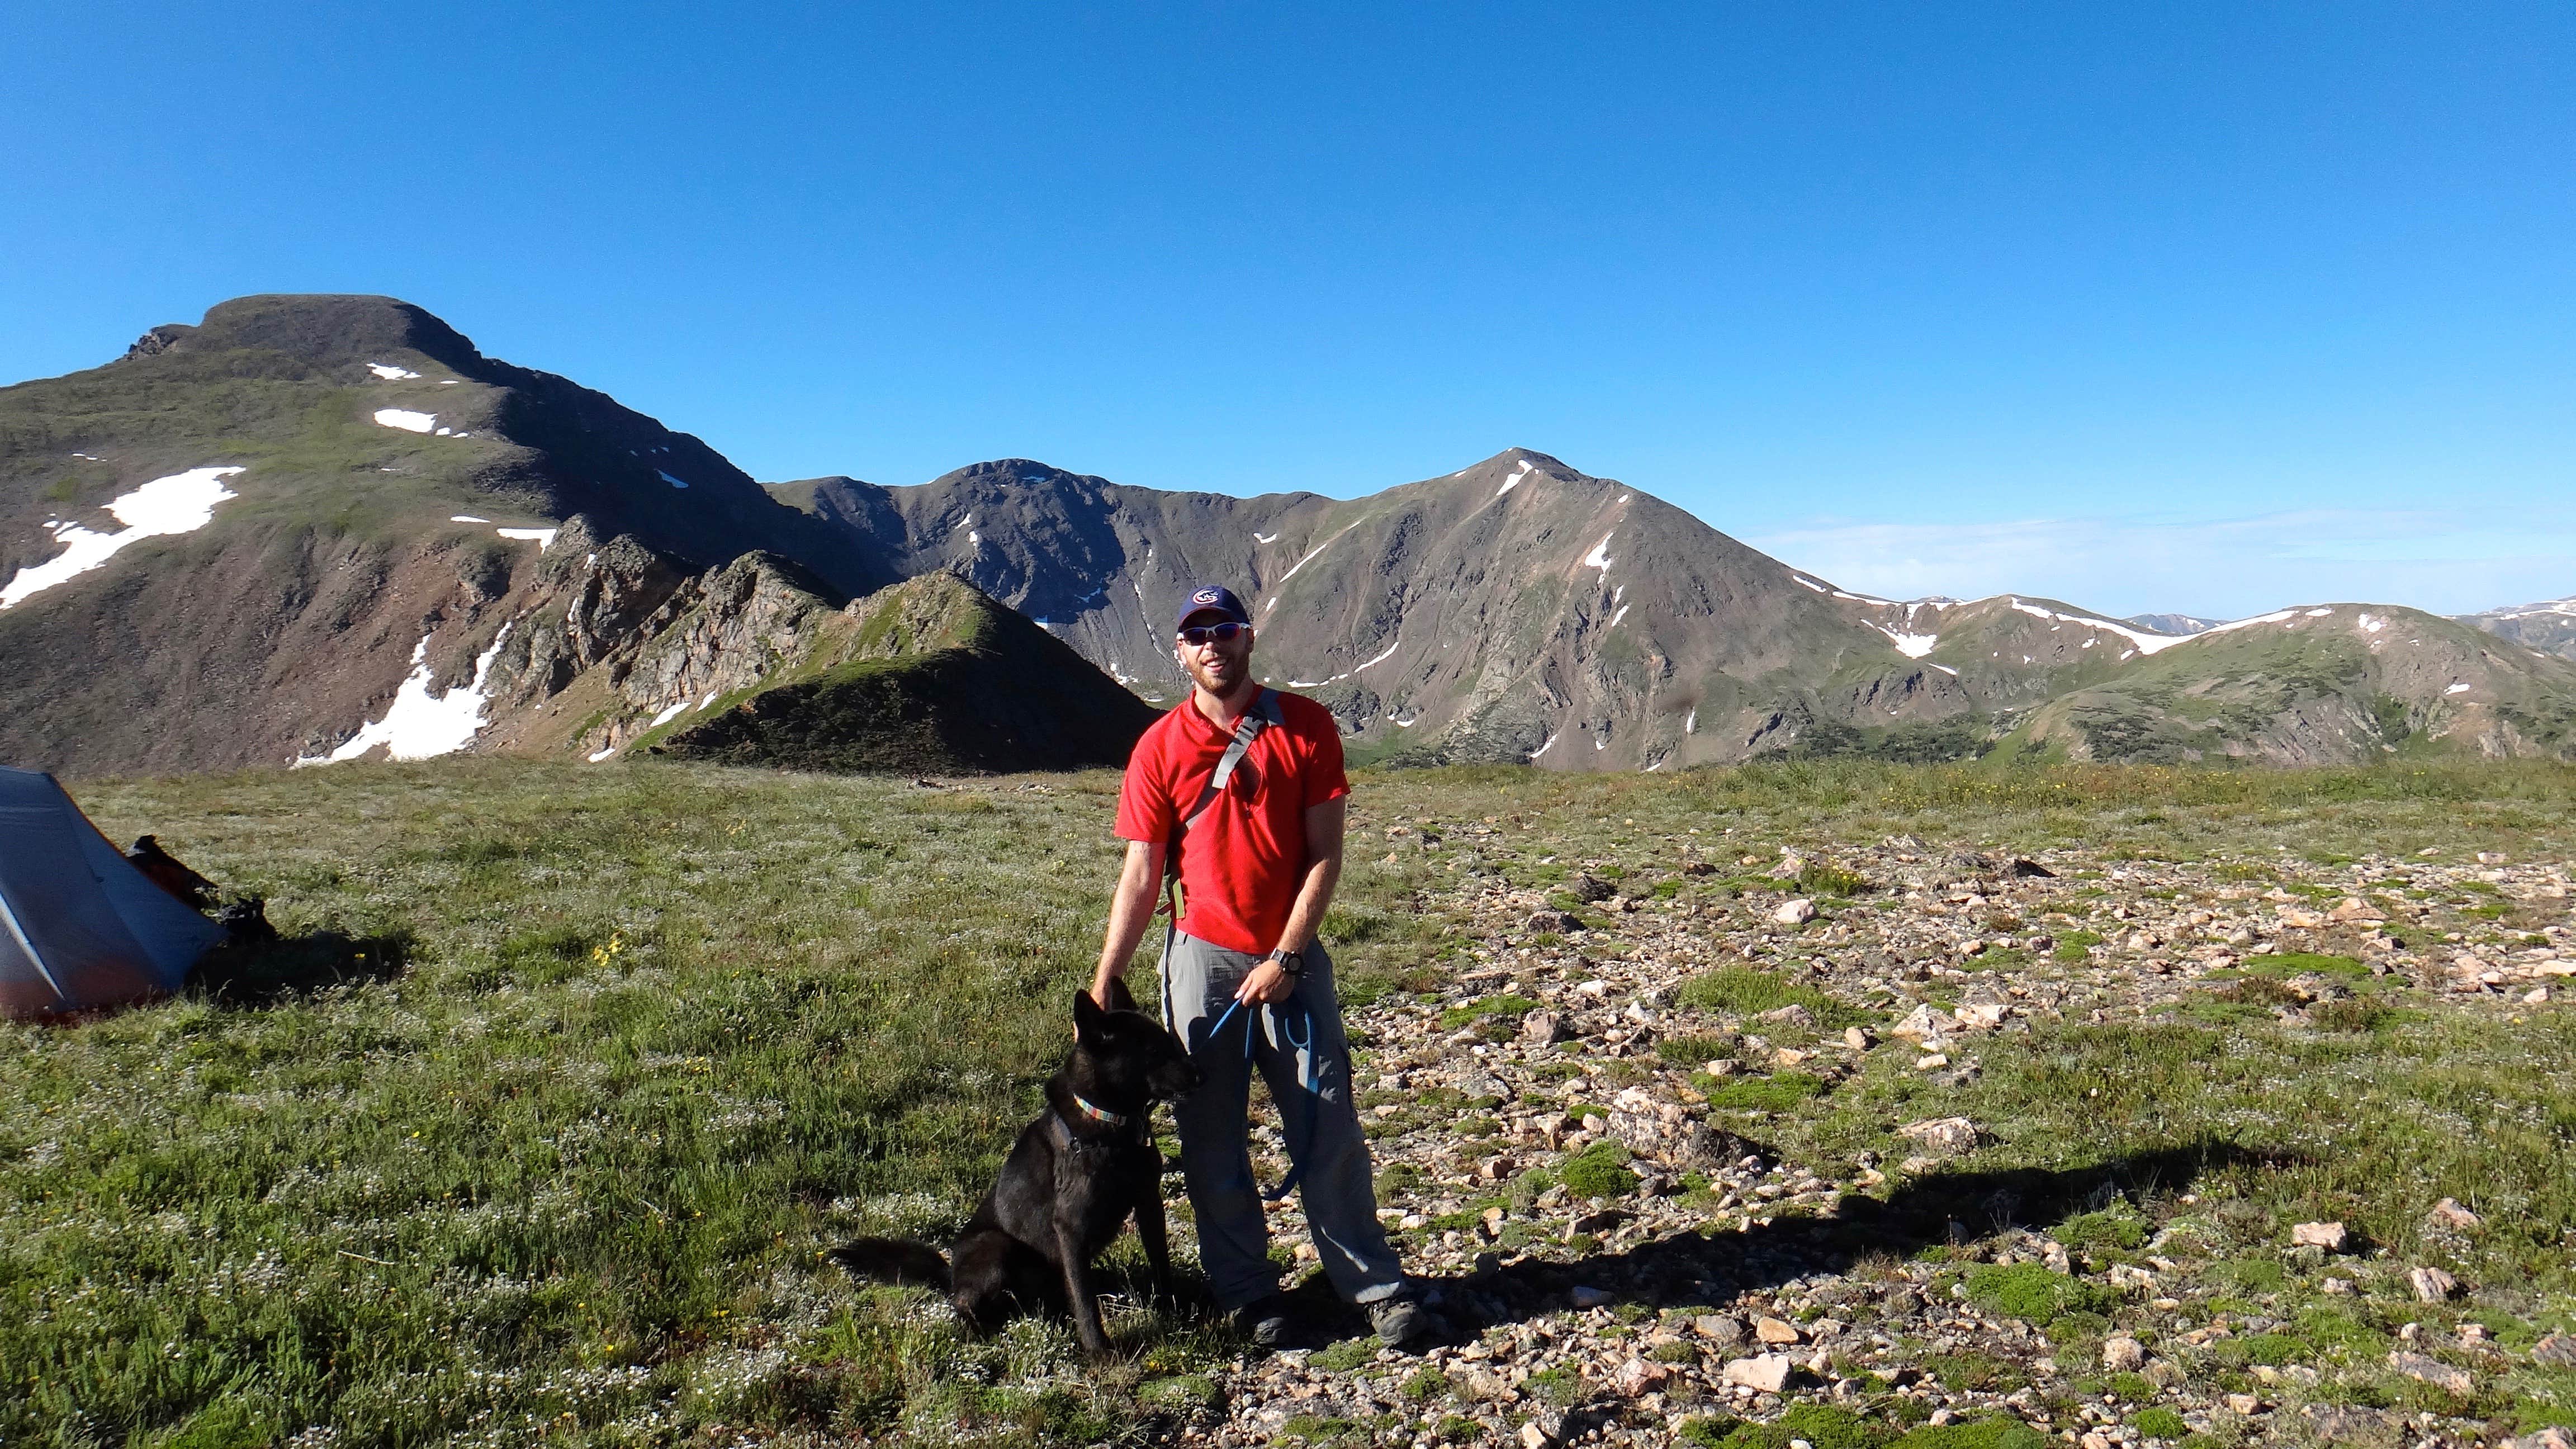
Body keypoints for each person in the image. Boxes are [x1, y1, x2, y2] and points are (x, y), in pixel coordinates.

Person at [1090, 584, 1434, 1350]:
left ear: (1249, 638)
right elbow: (1142, 872)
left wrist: (1288, 954)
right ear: (1180, 652)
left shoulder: (1305, 727)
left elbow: (1324, 856)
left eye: (1225, 629)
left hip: (1292, 960)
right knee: (1210, 1135)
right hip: (1201, 962)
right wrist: (1107, 971)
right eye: (1196, 634)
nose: (1212, 644)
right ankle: (1248, 1296)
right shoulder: (1160, 748)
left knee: (1328, 1123)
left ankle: (1373, 1287)